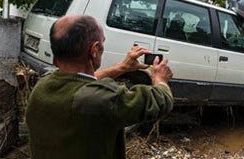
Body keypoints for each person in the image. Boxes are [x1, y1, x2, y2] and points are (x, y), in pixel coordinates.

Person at [26, 15, 174, 159]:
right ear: (94, 50)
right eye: (102, 42)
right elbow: (160, 101)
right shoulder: (101, 100)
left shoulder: (42, 85)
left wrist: (121, 68)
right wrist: (160, 79)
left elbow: (79, 81)